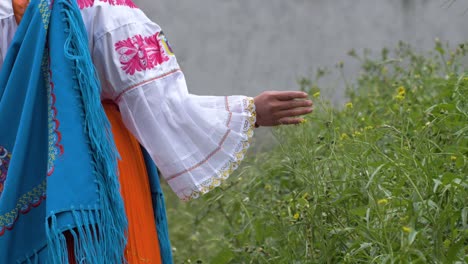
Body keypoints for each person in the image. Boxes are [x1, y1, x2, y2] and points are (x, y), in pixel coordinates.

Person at [0, 0, 313, 262]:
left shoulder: (9, 12)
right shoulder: (107, 13)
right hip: (100, 158)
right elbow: (162, 105)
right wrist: (251, 112)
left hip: (22, 158)